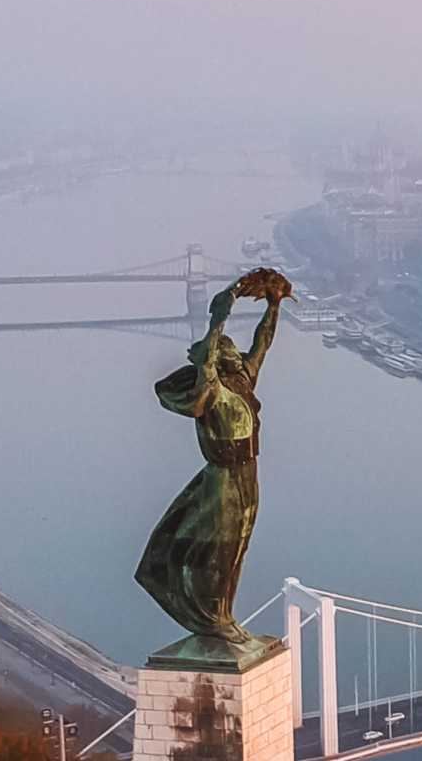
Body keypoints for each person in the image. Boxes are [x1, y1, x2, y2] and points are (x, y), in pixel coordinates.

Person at [135, 268, 289, 650]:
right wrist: (219, 320)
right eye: (229, 351)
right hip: (223, 476)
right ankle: (213, 618)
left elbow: (263, 343)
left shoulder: (242, 381)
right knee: (218, 548)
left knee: (238, 547)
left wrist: (274, 305)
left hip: (248, 472)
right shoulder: (213, 390)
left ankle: (225, 616)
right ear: (219, 359)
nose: (239, 355)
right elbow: (206, 364)